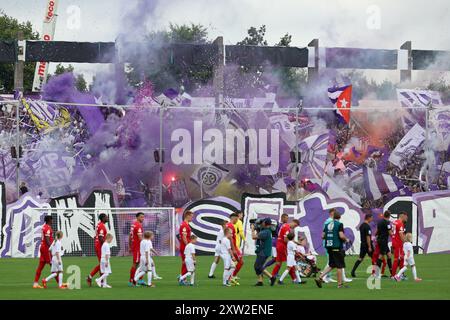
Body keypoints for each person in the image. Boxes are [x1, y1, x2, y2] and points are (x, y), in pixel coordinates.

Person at [315, 211, 350, 289]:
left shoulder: (327, 225)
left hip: (329, 247)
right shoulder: (339, 224)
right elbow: (341, 235)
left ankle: (320, 278)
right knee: (339, 266)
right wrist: (346, 239)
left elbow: (322, 236)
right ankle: (340, 285)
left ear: (333, 217)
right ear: (339, 217)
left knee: (331, 265)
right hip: (337, 247)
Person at [269, 214, 298, 285]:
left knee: (278, 263)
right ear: (293, 222)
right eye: (295, 225)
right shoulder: (287, 228)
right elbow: (285, 239)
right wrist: (292, 244)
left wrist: (296, 242)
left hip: (278, 245)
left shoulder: (284, 226)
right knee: (290, 262)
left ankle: (271, 278)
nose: (295, 227)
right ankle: (294, 279)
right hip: (282, 246)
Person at [33, 215, 58, 288]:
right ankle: (59, 283)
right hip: (46, 249)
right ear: (49, 220)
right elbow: (47, 239)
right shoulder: (47, 228)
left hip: (43, 247)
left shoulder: (44, 226)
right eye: (52, 219)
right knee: (53, 266)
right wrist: (52, 247)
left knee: (41, 266)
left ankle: (35, 283)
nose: (52, 221)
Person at [87, 213, 108, 286]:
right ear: (103, 218)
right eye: (106, 217)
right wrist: (105, 246)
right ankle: (90, 277)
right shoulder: (101, 226)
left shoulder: (99, 225)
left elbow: (97, 236)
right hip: (100, 246)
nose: (107, 218)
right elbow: (101, 238)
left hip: (98, 245)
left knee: (102, 264)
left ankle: (101, 281)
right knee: (102, 264)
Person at [251, 218, 273, 286]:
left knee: (258, 266)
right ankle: (260, 281)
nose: (261, 223)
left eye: (262, 222)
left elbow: (254, 237)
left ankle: (271, 277)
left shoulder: (265, 232)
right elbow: (259, 231)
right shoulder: (266, 230)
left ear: (265, 223)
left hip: (263, 251)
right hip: (263, 250)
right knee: (257, 266)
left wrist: (252, 229)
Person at [351, 213, 373, 277]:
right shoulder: (367, 226)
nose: (372, 219)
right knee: (374, 258)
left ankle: (353, 271)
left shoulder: (362, 225)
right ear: (368, 218)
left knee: (360, 258)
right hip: (367, 244)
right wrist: (369, 246)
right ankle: (374, 272)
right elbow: (368, 237)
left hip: (362, 244)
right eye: (371, 218)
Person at [372, 210, 393, 278]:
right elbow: (390, 233)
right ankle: (376, 273)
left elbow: (377, 231)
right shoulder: (387, 223)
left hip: (381, 240)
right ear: (389, 216)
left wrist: (375, 235)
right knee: (381, 256)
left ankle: (392, 273)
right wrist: (394, 234)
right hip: (383, 241)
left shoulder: (380, 222)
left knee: (389, 255)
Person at [226, 213, 243, 285]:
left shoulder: (228, 225)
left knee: (236, 262)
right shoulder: (230, 226)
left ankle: (230, 277)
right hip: (233, 247)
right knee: (240, 262)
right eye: (237, 219)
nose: (237, 220)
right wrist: (234, 249)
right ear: (234, 218)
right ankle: (231, 277)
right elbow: (230, 238)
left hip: (232, 247)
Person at [129, 212, 144, 286]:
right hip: (138, 247)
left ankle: (140, 280)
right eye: (141, 217)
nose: (142, 218)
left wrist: (129, 246)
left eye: (143, 217)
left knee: (141, 263)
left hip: (135, 246)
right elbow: (140, 238)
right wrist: (146, 245)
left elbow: (130, 235)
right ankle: (131, 281)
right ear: (137, 217)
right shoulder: (138, 225)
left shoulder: (133, 224)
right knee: (135, 264)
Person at [391, 211, 408, 277]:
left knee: (402, 258)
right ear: (402, 216)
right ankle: (393, 275)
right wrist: (405, 242)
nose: (407, 218)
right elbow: (401, 234)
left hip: (395, 242)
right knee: (396, 259)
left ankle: (401, 274)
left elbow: (393, 233)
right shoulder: (400, 223)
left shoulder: (394, 222)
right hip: (398, 243)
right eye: (406, 217)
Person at [179, 211, 193, 279]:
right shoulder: (184, 225)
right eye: (191, 216)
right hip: (185, 246)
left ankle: (182, 276)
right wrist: (188, 246)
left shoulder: (186, 224)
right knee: (185, 263)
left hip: (185, 246)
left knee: (186, 262)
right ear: (187, 216)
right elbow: (184, 237)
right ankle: (182, 279)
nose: (192, 218)